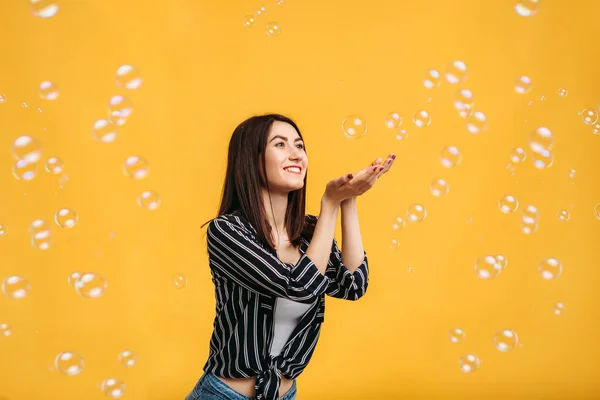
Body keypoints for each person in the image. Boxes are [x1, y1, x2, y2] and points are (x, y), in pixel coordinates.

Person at [185, 114, 395, 400]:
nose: (296, 154)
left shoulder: (310, 232)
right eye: (280, 144)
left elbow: (353, 286)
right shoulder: (227, 231)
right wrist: (330, 204)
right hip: (223, 395)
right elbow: (298, 287)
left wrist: (349, 200)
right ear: (252, 158)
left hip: (285, 394)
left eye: (299, 145)